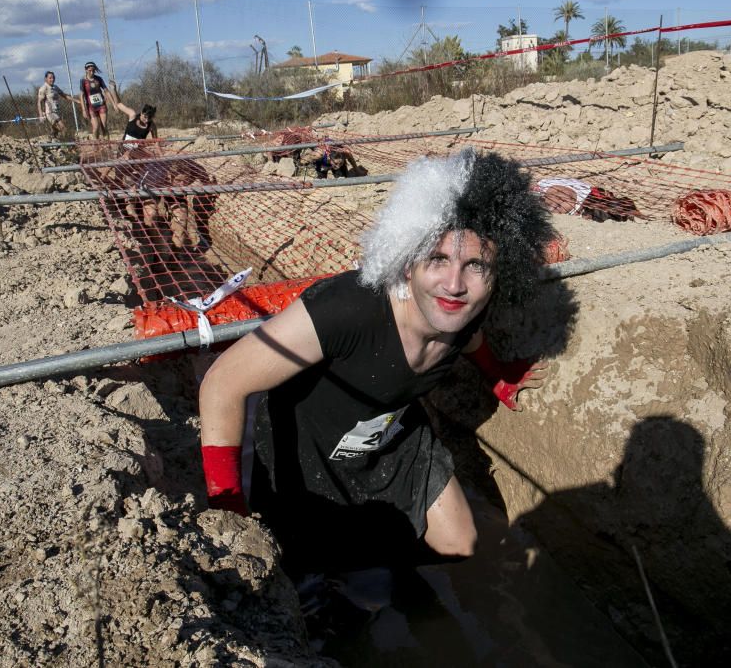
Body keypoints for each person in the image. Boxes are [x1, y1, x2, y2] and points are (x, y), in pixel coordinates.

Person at [198, 150, 556, 572]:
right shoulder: (346, 310)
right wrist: (228, 507)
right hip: (305, 453)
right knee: (306, 572)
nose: (455, 285)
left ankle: (397, 584)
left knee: (460, 543)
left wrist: (498, 376)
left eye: (475, 264)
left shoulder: (464, 315)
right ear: (407, 262)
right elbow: (223, 383)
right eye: (438, 258)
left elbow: (473, 339)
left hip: (392, 439)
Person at [36, 71, 80, 140]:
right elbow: (39, 102)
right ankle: (66, 144)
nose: (52, 79)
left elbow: (64, 95)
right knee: (63, 128)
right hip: (50, 113)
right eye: (50, 78)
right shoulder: (44, 88)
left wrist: (76, 100)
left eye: (53, 78)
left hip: (56, 111)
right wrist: (41, 114)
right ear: (46, 79)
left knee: (55, 131)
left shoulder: (55, 87)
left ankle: (52, 141)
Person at [78, 61, 115, 139]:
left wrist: (114, 104)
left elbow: (106, 91)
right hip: (91, 107)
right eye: (89, 70)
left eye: (93, 70)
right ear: (86, 70)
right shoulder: (83, 81)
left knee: (103, 126)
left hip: (101, 105)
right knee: (96, 127)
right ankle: (96, 145)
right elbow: (81, 96)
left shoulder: (99, 79)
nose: (91, 72)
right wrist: (83, 110)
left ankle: (107, 145)